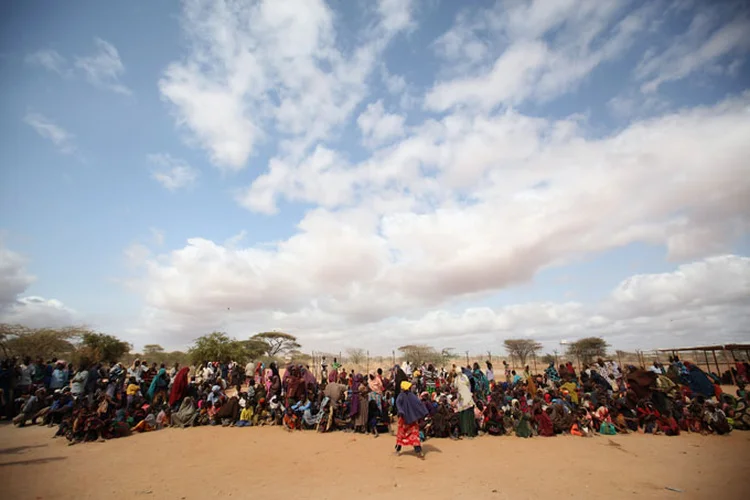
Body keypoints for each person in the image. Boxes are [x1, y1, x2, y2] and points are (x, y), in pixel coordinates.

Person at [395, 381, 427, 459]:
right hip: (411, 419)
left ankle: (399, 449)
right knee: (414, 434)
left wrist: (401, 411)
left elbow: (398, 404)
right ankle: (418, 451)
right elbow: (419, 403)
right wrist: (424, 411)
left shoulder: (402, 395)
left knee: (402, 434)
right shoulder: (410, 395)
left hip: (404, 419)